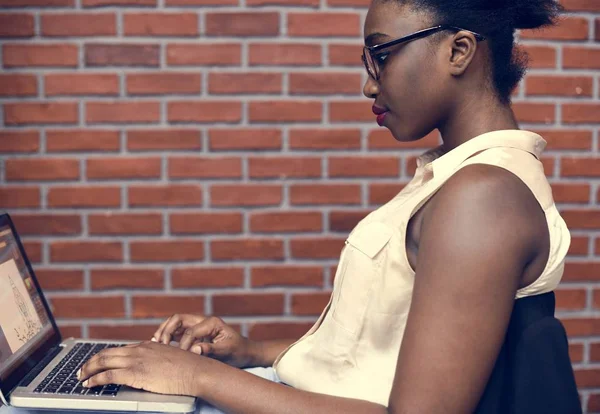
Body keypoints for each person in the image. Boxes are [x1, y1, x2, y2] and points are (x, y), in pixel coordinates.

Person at [74, 0, 570, 413]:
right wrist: (249, 351)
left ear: (458, 50)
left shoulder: (483, 195)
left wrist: (197, 375)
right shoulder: (459, 177)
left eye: (382, 56)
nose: (369, 84)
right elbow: (379, 350)